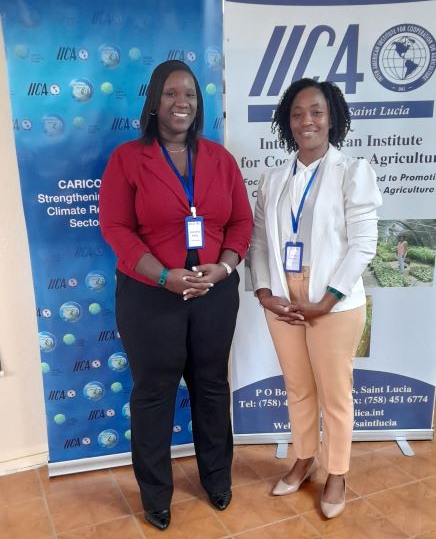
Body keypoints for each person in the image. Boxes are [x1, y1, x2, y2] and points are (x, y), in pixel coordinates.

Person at [99, 60, 252, 531]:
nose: (181, 102)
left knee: (211, 387)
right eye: (170, 93)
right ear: (154, 102)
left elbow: (241, 222)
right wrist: (164, 275)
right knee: (154, 394)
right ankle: (155, 495)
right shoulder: (128, 158)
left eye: (189, 94)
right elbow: (116, 228)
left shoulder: (220, 159)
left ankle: (217, 479)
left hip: (213, 293)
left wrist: (224, 267)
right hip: (150, 296)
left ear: (199, 104)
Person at [250, 78, 381, 519]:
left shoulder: (352, 171)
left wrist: (327, 300)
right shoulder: (274, 179)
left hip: (333, 303)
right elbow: (259, 242)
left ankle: (337, 471)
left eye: (316, 112)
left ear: (332, 118)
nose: (307, 120)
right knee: (298, 387)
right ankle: (304, 458)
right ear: (286, 123)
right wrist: (264, 292)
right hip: (284, 302)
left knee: (335, 393)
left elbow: (364, 244)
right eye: (297, 113)